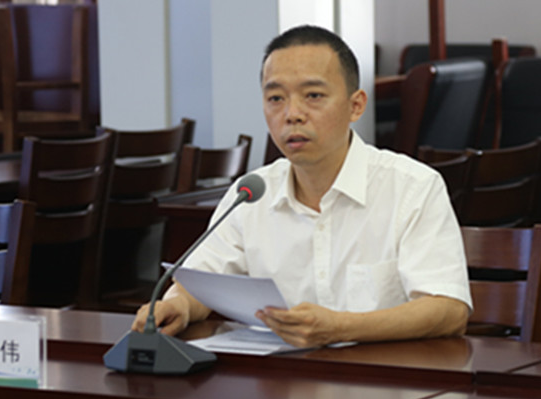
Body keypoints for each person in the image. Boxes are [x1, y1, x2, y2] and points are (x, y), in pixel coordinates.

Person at [133, 25, 471, 347]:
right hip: (282, 379)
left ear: (355, 105)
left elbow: (448, 310)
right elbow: (198, 281)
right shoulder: (251, 195)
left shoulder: (412, 187)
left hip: (385, 379)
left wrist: (340, 328)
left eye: (313, 95)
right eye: (276, 98)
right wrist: (177, 304)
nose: (292, 114)